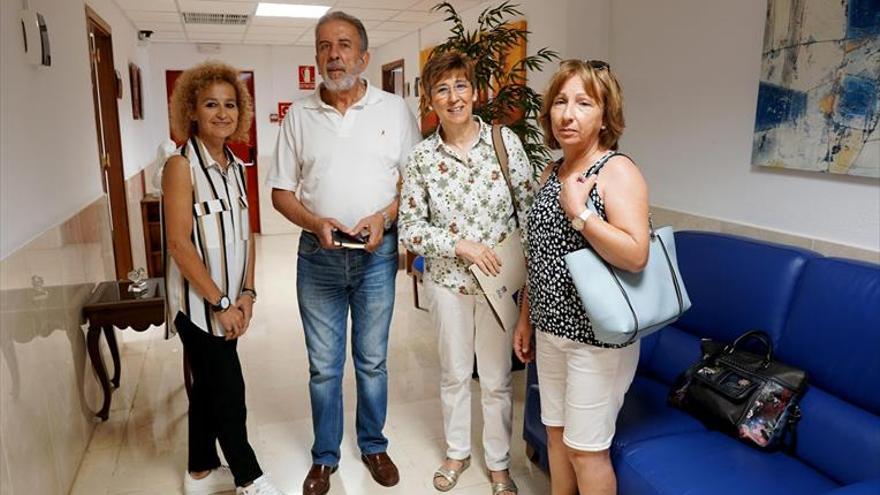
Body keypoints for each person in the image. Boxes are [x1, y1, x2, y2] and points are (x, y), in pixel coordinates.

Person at [266, 11, 420, 495]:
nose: (334, 54)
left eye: (345, 44)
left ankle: (373, 445)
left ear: (364, 56)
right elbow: (280, 191)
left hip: (377, 256)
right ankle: (324, 457)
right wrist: (316, 222)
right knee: (324, 367)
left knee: (372, 361)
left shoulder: (394, 111)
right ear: (316, 56)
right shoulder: (299, 116)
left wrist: (385, 217)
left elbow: (414, 185)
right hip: (318, 258)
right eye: (325, 46)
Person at [399, 51, 535, 495]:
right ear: (429, 100)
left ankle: (498, 464)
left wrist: (526, 284)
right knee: (455, 374)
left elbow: (530, 211)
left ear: (475, 92)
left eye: (461, 86)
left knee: (496, 379)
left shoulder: (504, 142)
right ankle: (457, 453)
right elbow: (410, 227)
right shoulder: (420, 159)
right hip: (448, 284)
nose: (453, 97)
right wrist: (459, 245)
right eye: (442, 88)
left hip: (498, 288)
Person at [513, 59, 650, 495]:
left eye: (583, 103)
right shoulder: (552, 172)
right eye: (560, 102)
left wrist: (581, 214)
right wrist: (526, 318)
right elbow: (540, 255)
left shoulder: (616, 170)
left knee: (587, 451)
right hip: (552, 332)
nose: (567, 114)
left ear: (605, 114)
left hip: (598, 341)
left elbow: (636, 254)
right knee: (555, 434)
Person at [162, 61, 285, 495]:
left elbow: (245, 235)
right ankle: (249, 478)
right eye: (210, 103)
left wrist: (248, 293)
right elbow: (179, 244)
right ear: (191, 110)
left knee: (209, 386)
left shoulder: (236, 165)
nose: (222, 113)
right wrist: (219, 304)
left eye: (230, 104)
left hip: (231, 302)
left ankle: (199, 467)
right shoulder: (181, 167)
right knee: (229, 392)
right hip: (200, 307)